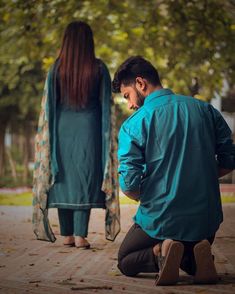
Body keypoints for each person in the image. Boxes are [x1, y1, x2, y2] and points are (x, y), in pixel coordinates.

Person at [112, 56, 235, 285]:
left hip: (162, 217)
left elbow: (129, 185)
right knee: (191, 243)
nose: (129, 104)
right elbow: (230, 159)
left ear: (140, 83)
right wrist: (201, 177)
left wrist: (152, 194)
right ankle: (196, 255)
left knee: (125, 260)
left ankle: (161, 250)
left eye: (127, 95)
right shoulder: (205, 110)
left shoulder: (135, 124)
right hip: (205, 220)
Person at [32, 21, 120, 248]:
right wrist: (107, 141)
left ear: (67, 42)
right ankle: (81, 235)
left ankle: (67, 235)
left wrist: (48, 141)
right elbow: (105, 108)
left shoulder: (56, 69)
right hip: (90, 130)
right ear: (89, 42)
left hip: (62, 130)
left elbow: (49, 107)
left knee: (63, 177)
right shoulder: (99, 69)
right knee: (85, 178)